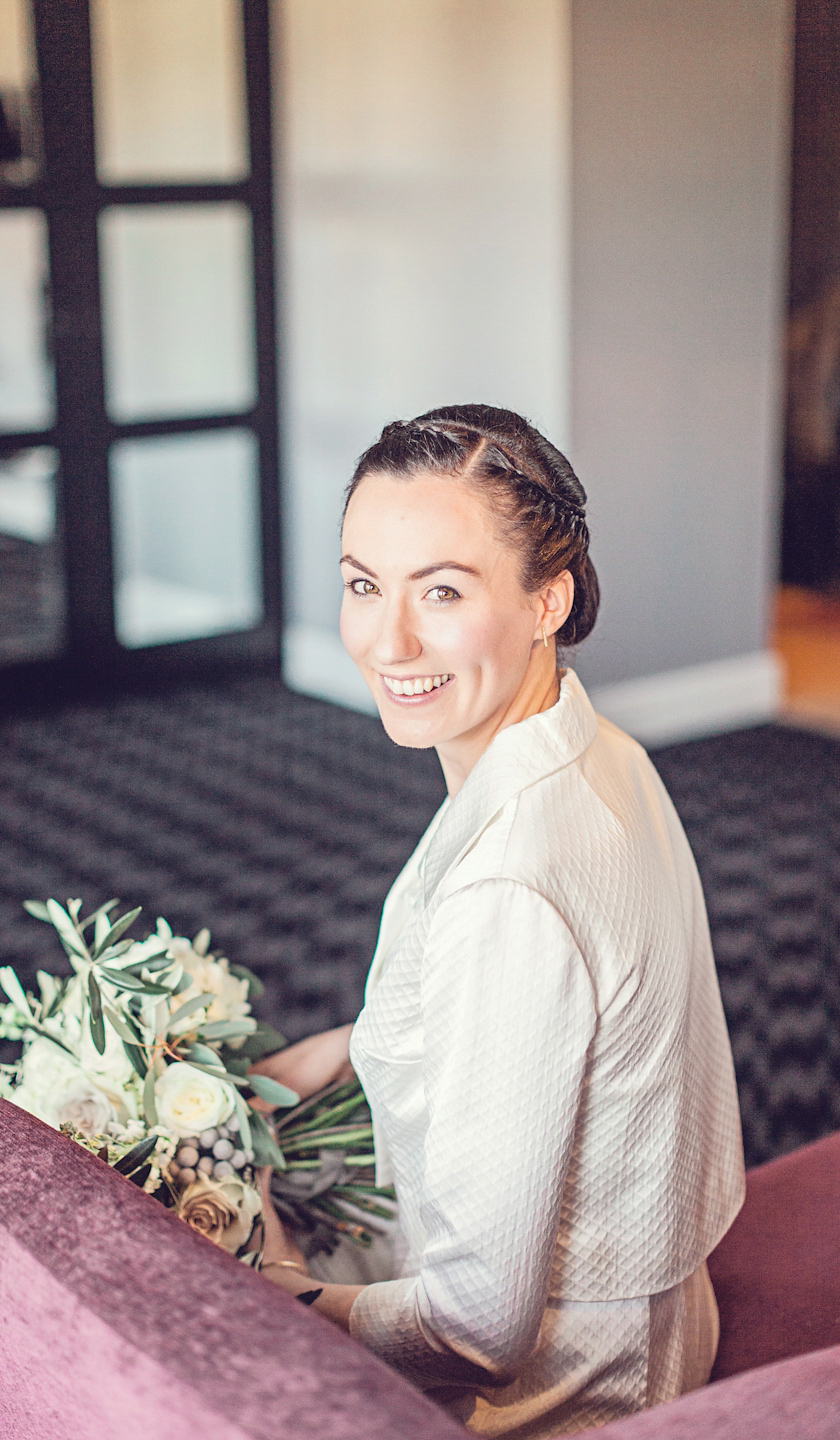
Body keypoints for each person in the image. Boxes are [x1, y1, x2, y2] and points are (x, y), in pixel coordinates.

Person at [253, 404, 744, 1437]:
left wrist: (273, 1283)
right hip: (660, 1303)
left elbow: (476, 1331)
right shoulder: (599, 748)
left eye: (442, 590)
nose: (387, 640)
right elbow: (564, 1018)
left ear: (546, 600)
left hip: (563, 1395)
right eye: (362, 585)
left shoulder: (509, 896)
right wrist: (345, 1048)